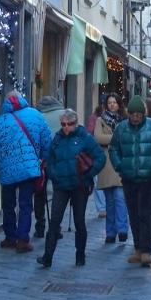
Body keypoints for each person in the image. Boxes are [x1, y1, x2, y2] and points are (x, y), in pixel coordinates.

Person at [37, 109, 104, 268]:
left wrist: (88, 175)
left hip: (79, 186)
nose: (66, 127)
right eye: (63, 124)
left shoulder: (84, 137)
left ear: (76, 123)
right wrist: (53, 174)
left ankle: (80, 255)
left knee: (79, 221)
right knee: (54, 221)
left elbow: (100, 157)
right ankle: (47, 256)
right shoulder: (57, 139)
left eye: (69, 124)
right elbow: (50, 160)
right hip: (61, 186)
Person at [0, 93, 52, 254]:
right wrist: (43, 159)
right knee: (25, 204)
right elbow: (47, 140)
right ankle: (23, 239)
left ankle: (10, 236)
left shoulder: (1, 121)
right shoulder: (35, 115)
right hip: (28, 169)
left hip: (7, 170)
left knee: (8, 205)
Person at [109, 96, 151, 266]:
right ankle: (138, 248)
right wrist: (119, 165)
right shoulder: (121, 129)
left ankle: (146, 250)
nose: (135, 118)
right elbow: (114, 148)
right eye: (132, 115)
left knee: (144, 212)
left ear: (143, 114)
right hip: (128, 176)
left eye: (138, 115)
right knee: (133, 213)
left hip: (148, 177)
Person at [92, 94, 129, 243]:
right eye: (109, 102)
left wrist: (109, 139)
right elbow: (98, 138)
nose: (112, 105)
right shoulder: (100, 120)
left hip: (120, 162)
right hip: (107, 164)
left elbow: (127, 138)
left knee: (120, 198)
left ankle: (122, 229)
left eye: (114, 102)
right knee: (110, 201)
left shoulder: (125, 120)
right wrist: (116, 138)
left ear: (119, 104)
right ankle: (110, 232)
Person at [32, 95, 65, 240]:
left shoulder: (37, 116)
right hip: (59, 159)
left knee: (39, 193)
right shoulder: (63, 114)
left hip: (42, 160)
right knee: (58, 193)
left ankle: (40, 226)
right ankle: (56, 227)